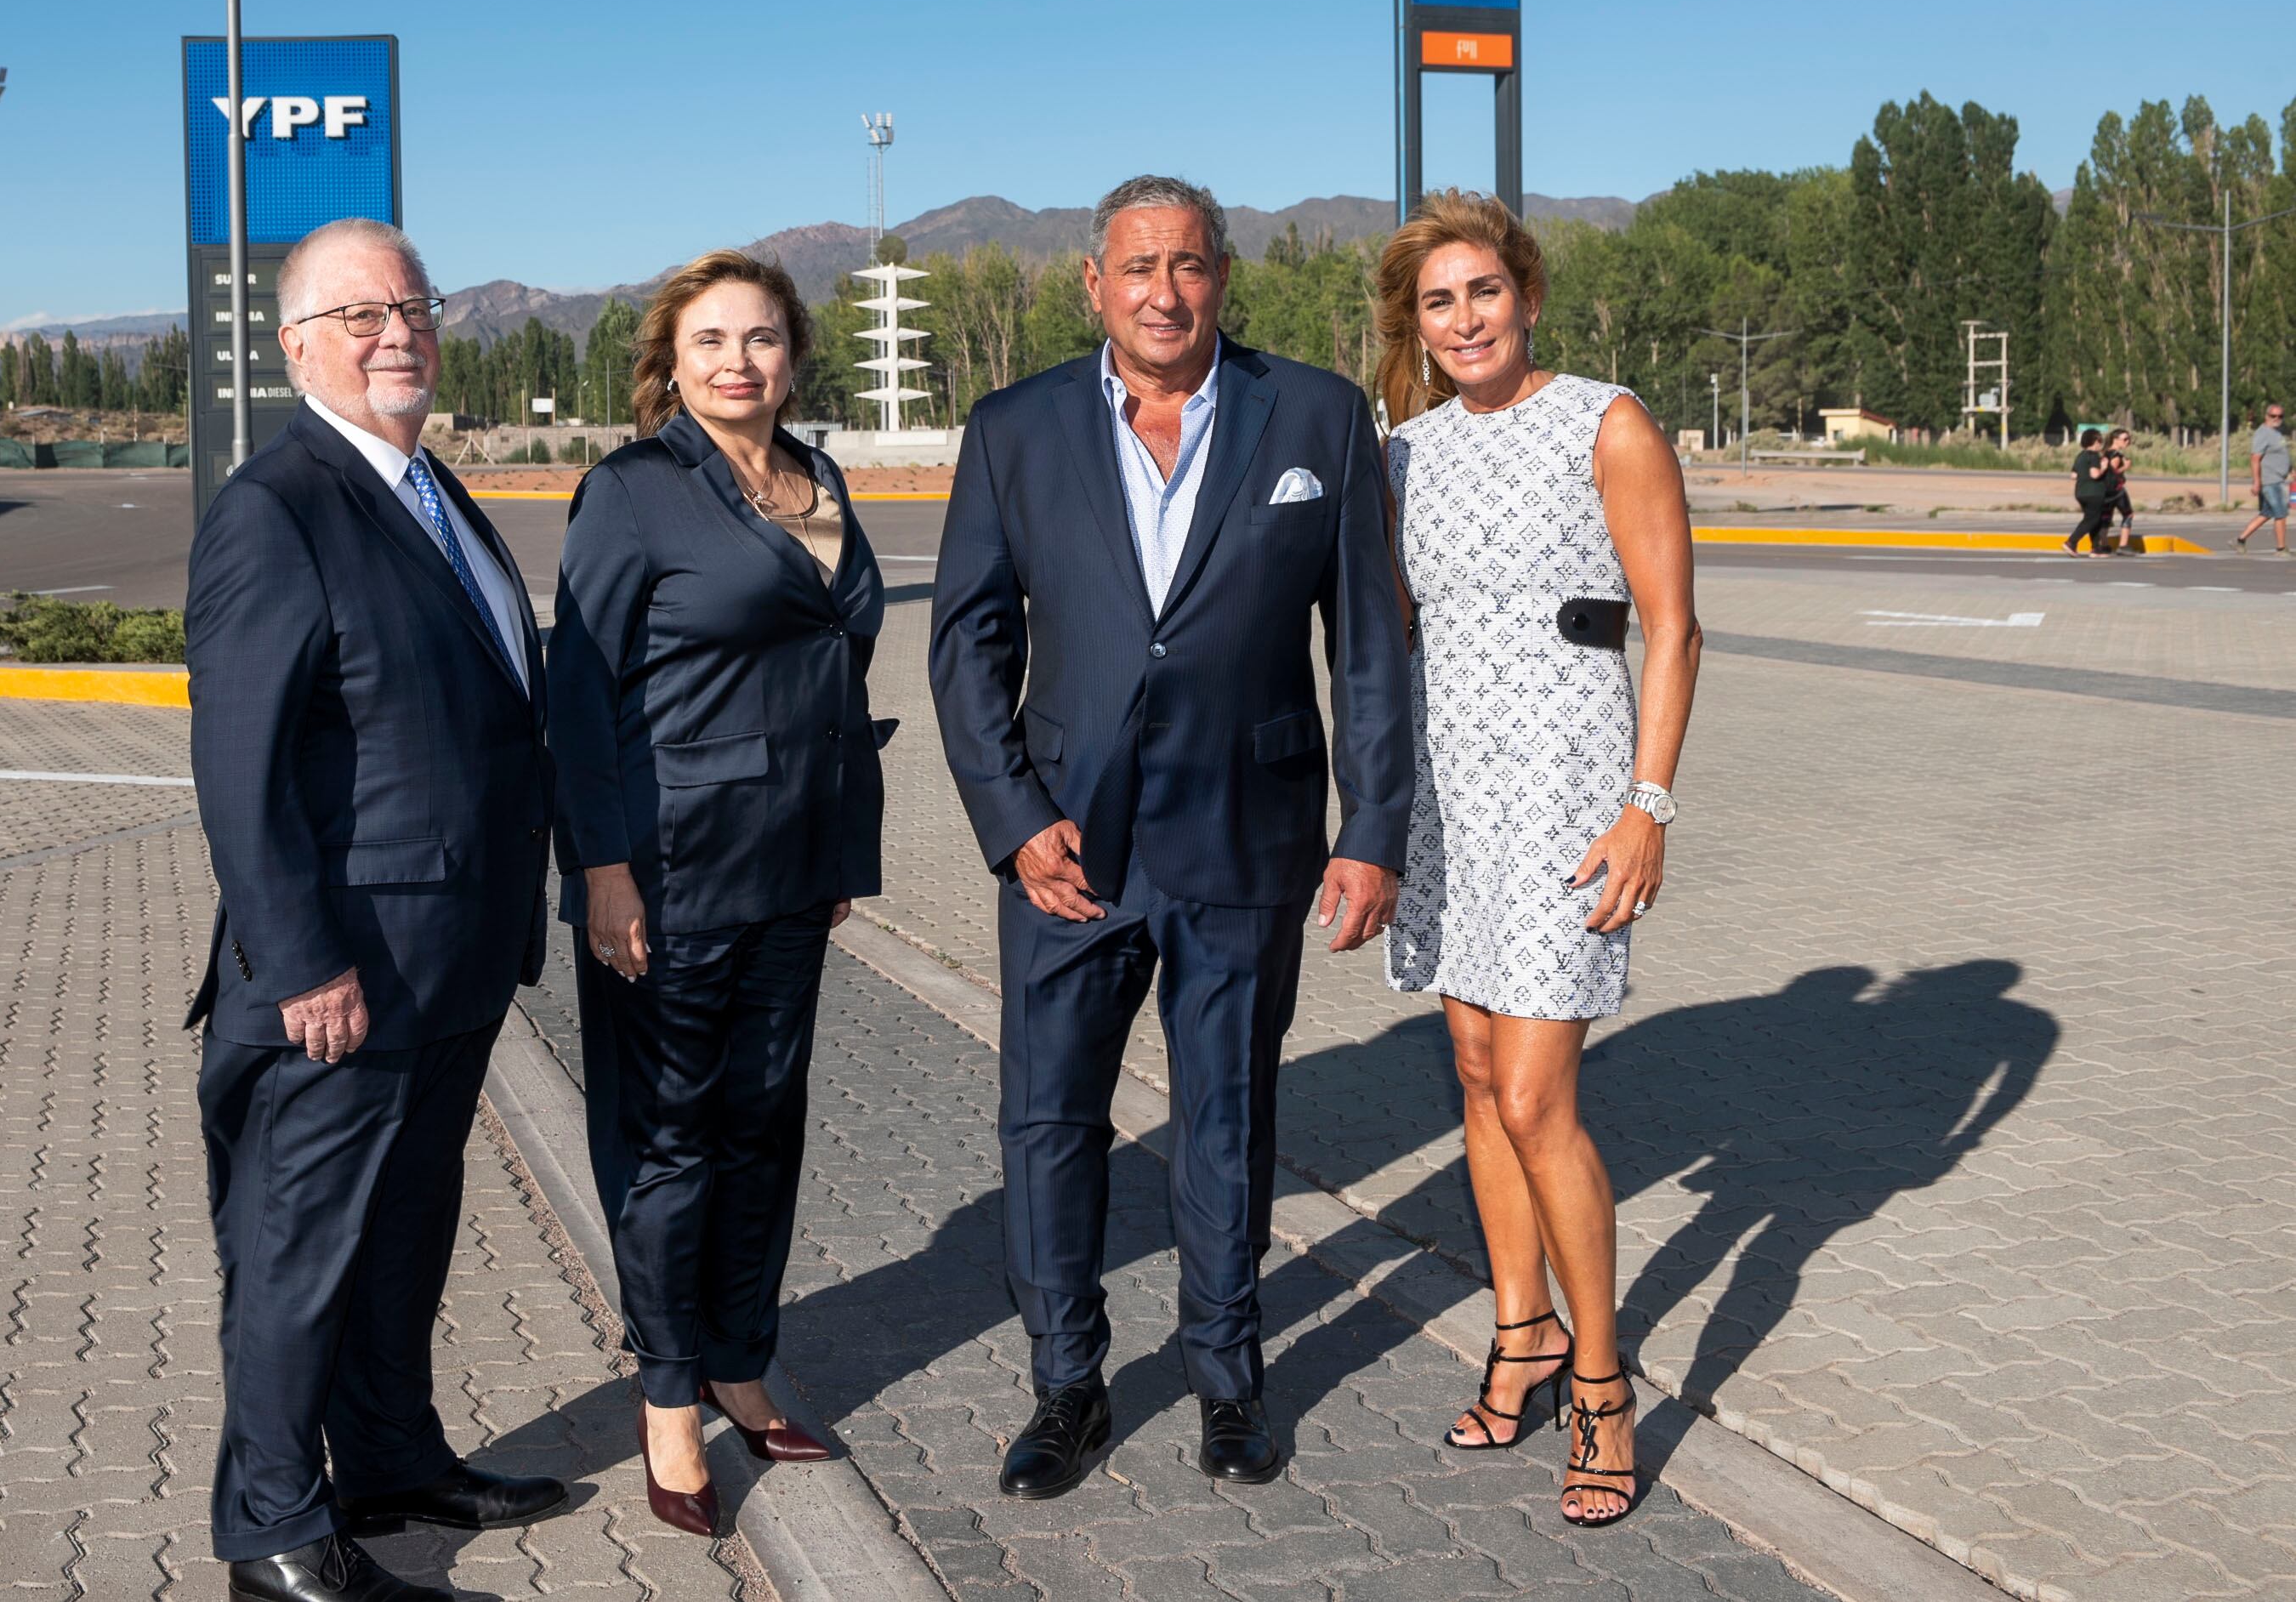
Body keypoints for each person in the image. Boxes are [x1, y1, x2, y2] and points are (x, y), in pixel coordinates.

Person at [929, 174, 1414, 1498]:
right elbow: (968, 640)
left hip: (1245, 841)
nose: (1163, 290)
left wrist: (1372, 827)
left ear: (1221, 278)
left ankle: (1227, 1377)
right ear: (1094, 283)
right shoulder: (1015, 427)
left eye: (1189, 264)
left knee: (1225, 1117)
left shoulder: (1313, 412)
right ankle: (1066, 1386)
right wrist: (1011, 817)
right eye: (1137, 266)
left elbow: (1368, 642)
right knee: (1048, 1121)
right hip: (1067, 848)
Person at [186, 218, 565, 1600]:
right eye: (358, 313)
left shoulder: (432, 491)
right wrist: (299, 960)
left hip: (452, 960)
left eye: (413, 305)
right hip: (341, 973)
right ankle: (271, 1527)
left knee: (404, 1228)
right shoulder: (276, 506)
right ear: (296, 347)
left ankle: (394, 1457)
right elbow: (239, 767)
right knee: (298, 1251)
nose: (395, 329)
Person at [548, 251, 886, 1539]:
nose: (737, 360)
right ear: (671, 362)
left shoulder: (821, 475)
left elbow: (830, 672)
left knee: (764, 1123)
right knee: (671, 1139)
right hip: (672, 869)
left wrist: (841, 843)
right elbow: (577, 694)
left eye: (759, 337)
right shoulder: (634, 492)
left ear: (792, 352)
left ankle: (744, 1356)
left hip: (797, 867)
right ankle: (670, 1395)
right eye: (710, 340)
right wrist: (603, 867)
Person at [1377, 189, 1702, 1529]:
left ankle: (1603, 1378)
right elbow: (1382, 637)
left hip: (1569, 785)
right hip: (1446, 795)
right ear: (1417, 321)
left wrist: (1648, 806)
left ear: (1526, 294)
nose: (1463, 319)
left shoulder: (1606, 421)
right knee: (1468, 1069)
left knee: (1534, 1094)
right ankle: (1516, 1330)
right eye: (1437, 301)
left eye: (1483, 292)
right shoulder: (1400, 451)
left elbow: (1675, 630)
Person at [2236, 404, 2290, 554]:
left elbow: (2281, 454)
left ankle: (2240, 540)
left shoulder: (2277, 433)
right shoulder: (2263, 433)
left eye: (2280, 416)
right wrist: (2257, 482)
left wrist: (2290, 469)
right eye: (2274, 416)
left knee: (2267, 513)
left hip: (2278, 478)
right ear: (2266, 416)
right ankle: (2281, 548)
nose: (2277, 419)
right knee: (2281, 513)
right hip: (2270, 480)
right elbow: (2255, 458)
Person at [2064, 429, 2115, 555]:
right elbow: (2095, 474)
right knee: (2091, 520)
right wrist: (2103, 467)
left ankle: (2095, 548)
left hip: (2081, 492)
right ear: (2095, 442)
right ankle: (2071, 542)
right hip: (2094, 493)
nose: (2101, 444)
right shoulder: (2094, 456)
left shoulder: (2080, 456)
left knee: (2095, 519)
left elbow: (2074, 475)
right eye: (2100, 441)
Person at [2103, 429, 2140, 551]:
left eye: (2129, 439)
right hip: (2117, 491)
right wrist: (2125, 467)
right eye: (2125, 439)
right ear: (2116, 440)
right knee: (2128, 515)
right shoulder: (2116, 455)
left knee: (2107, 516)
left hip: (2105, 491)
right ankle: (2123, 545)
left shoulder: (2105, 453)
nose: (2128, 442)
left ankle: (2103, 544)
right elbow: (2112, 473)